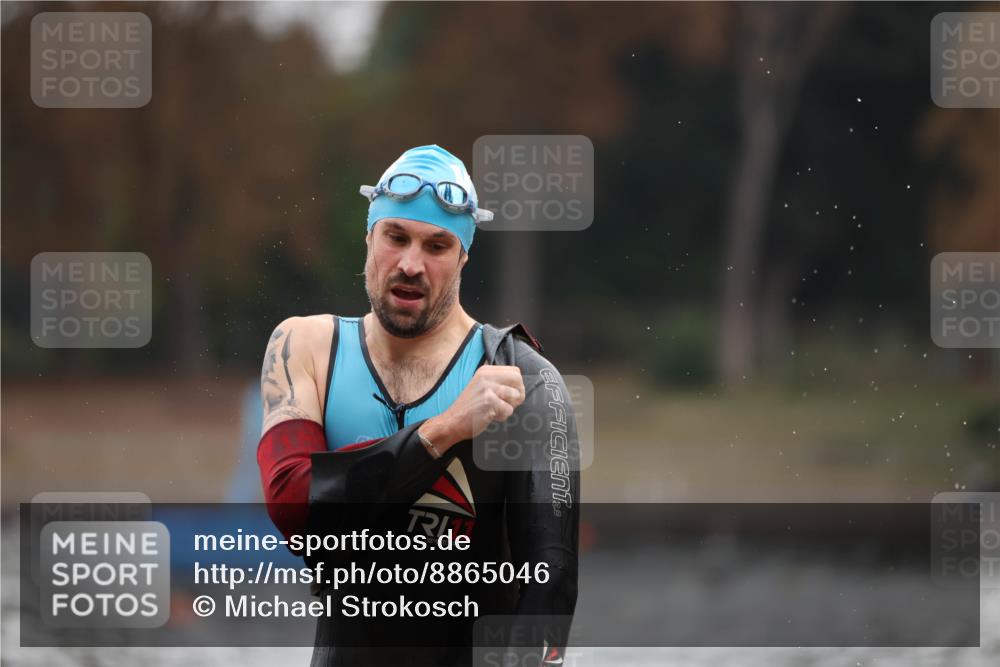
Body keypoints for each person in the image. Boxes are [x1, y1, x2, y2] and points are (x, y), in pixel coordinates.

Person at [256, 145, 579, 666]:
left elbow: (550, 585)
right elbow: (296, 505)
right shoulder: (305, 347)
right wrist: (445, 430)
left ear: (463, 256)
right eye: (396, 237)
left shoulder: (522, 380)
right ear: (369, 237)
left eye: (437, 245)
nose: (411, 264)